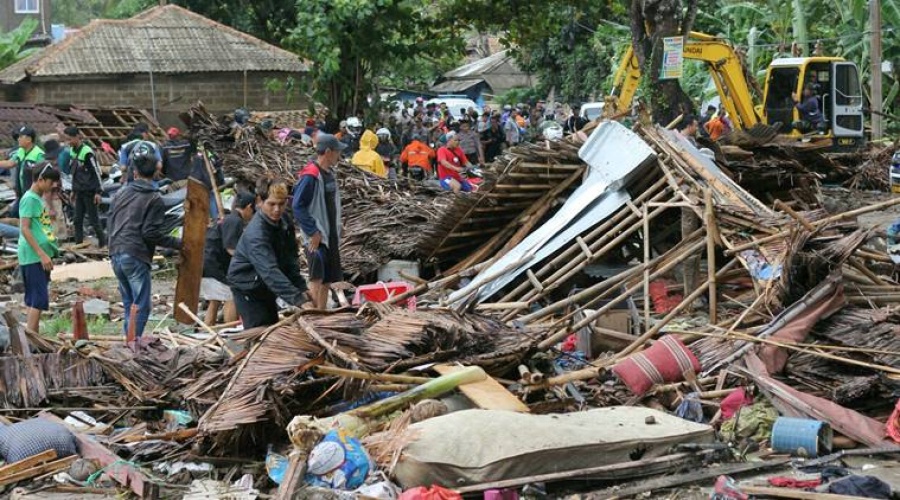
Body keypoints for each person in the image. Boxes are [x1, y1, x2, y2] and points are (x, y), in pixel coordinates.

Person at [108, 142, 182, 338]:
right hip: (134, 254)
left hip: (116, 252)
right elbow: (150, 233)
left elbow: (110, 221)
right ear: (156, 174)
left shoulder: (120, 193)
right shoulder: (154, 198)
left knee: (129, 304)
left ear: (134, 173)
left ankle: (128, 344)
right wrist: (178, 244)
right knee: (141, 306)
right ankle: (132, 347)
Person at [229, 178, 307, 327]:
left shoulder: (284, 221)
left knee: (271, 326)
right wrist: (298, 299)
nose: (277, 209)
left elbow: (290, 258)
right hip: (247, 286)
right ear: (260, 201)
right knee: (258, 331)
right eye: (271, 204)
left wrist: (302, 287)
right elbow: (269, 271)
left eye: (281, 204)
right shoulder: (256, 233)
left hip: (265, 285)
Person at [293, 134, 344, 310]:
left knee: (327, 279)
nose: (339, 156)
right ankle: (313, 317)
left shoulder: (330, 174)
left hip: (330, 236)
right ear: (328, 152)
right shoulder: (310, 176)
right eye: (337, 152)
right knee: (316, 278)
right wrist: (313, 232)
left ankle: (321, 315)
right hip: (317, 237)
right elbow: (298, 206)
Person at [201, 191, 255, 326]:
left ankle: (208, 331)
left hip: (206, 264)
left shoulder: (229, 219)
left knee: (215, 300)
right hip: (213, 265)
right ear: (248, 207)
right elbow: (231, 248)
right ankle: (230, 332)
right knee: (232, 295)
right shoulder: (235, 220)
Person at [18, 162, 60, 335]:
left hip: (38, 255)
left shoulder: (37, 198)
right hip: (34, 256)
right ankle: (29, 341)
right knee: (39, 299)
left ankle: (33, 340)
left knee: (33, 300)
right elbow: (25, 228)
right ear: (40, 179)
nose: (53, 186)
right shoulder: (29, 199)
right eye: (51, 182)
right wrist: (42, 254)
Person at [64, 126, 106, 246]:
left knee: (94, 220)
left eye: (70, 139)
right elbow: (74, 172)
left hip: (90, 191)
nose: (68, 142)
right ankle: (79, 244)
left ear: (77, 137)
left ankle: (103, 244)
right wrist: (73, 190)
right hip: (79, 191)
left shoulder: (87, 152)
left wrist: (98, 192)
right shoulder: (72, 151)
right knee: (77, 220)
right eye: (67, 139)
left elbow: (96, 172)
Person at [0, 126, 45, 217]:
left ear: (28, 139)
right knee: (17, 215)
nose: (18, 139)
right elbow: (10, 163)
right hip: (22, 194)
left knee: (36, 220)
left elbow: (43, 177)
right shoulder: (21, 151)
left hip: (34, 196)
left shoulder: (39, 155)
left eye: (21, 137)